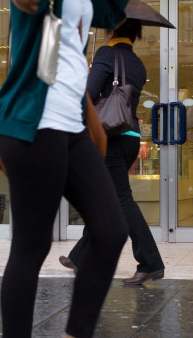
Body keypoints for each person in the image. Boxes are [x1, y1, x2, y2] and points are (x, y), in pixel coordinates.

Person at [0, 0, 139, 338]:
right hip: (33, 127)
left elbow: (112, 12)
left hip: (68, 124)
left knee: (112, 228)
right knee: (30, 248)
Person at [60, 19, 165, 285]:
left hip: (109, 138)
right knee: (102, 199)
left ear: (112, 29)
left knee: (119, 200)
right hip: (129, 137)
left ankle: (151, 262)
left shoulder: (107, 54)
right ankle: (80, 256)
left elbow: (88, 95)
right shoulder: (138, 64)